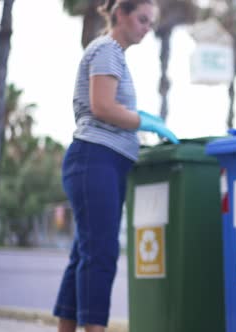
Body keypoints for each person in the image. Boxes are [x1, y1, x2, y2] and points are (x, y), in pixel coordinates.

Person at [53, 1, 177, 331]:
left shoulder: (114, 54)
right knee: (101, 255)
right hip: (96, 159)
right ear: (120, 14)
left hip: (101, 161)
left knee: (85, 255)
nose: (147, 28)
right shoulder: (107, 49)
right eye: (141, 19)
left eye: (150, 23)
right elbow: (102, 106)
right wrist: (144, 122)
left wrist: (141, 125)